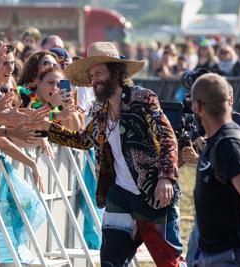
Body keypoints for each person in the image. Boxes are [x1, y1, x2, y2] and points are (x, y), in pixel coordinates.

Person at [36, 42, 183, 266]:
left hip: (152, 194)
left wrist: (166, 176)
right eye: (91, 75)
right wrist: (49, 129)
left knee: (169, 262)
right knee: (110, 262)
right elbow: (85, 140)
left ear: (115, 73)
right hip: (119, 197)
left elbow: (166, 136)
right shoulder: (99, 109)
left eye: (99, 73)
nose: (94, 79)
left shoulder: (143, 99)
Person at [191, 73, 240, 266]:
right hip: (212, 253)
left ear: (197, 107)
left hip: (231, 255)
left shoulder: (228, 143)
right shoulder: (215, 140)